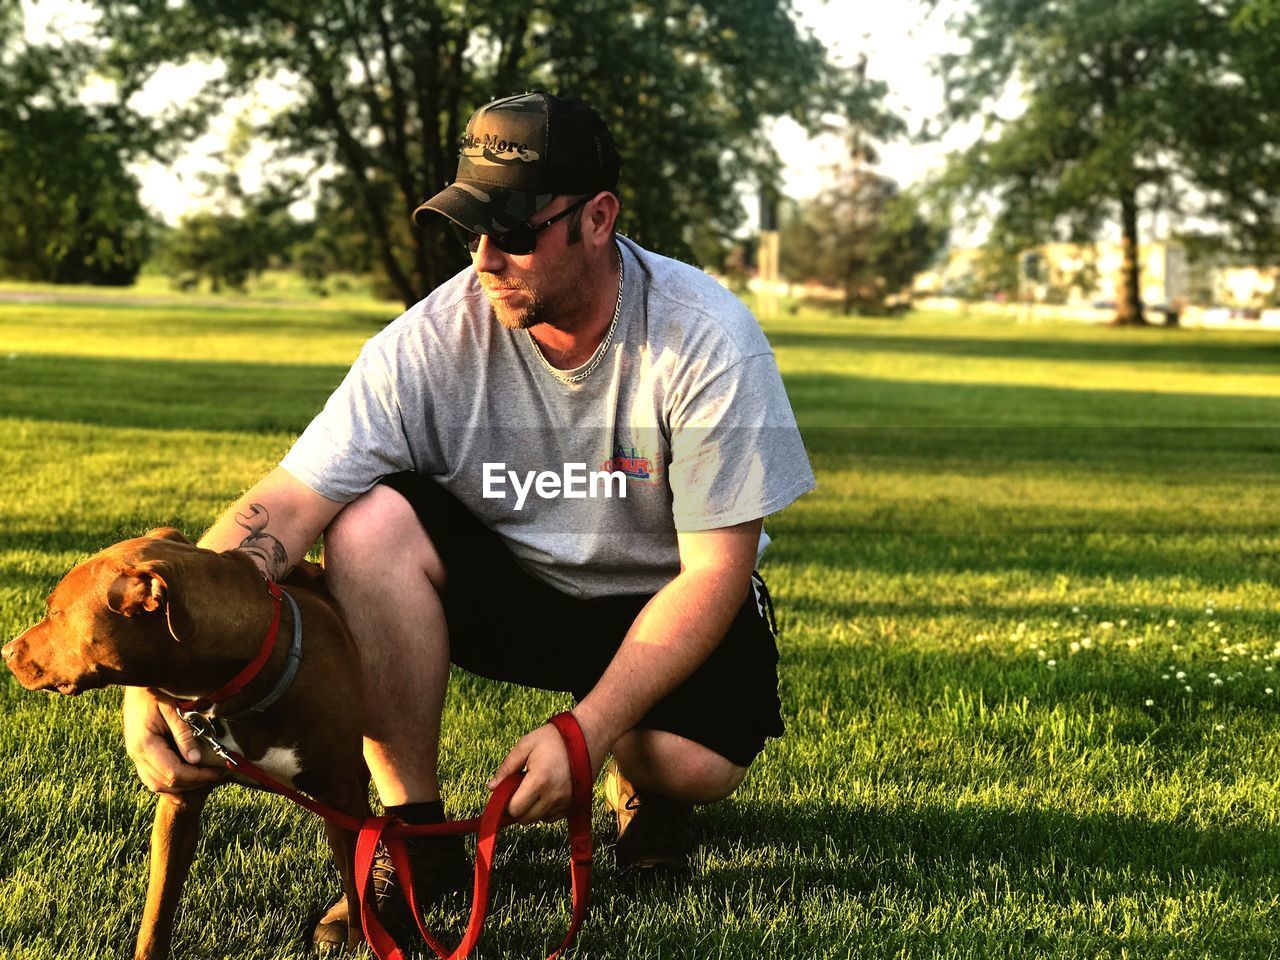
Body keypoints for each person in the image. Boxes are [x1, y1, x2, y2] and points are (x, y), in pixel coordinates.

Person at [121, 91, 816, 943]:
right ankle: (413, 835)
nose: (486, 257)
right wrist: (172, 661)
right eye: (469, 228)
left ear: (598, 218)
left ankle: (645, 785)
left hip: (663, 592)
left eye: (516, 230)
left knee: (685, 764)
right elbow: (290, 502)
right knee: (367, 518)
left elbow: (717, 570)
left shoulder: (709, 337)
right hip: (516, 590)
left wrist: (588, 731)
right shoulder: (426, 341)